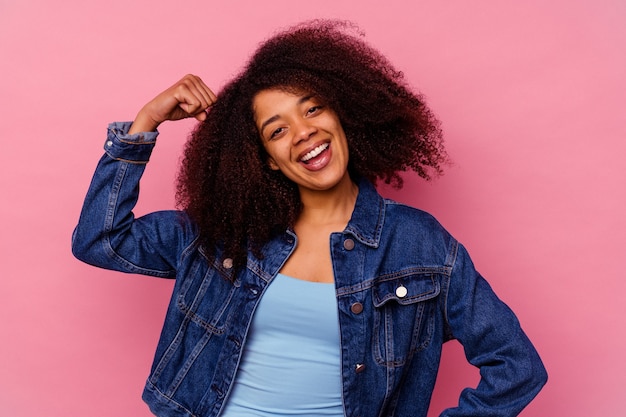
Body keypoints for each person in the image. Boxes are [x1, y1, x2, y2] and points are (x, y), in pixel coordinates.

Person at [72, 20, 547, 417]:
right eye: (278, 130)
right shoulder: (224, 233)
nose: (304, 134)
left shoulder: (418, 245)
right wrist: (144, 124)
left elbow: (516, 365)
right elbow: (99, 239)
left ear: (343, 116)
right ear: (268, 160)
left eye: (313, 108)